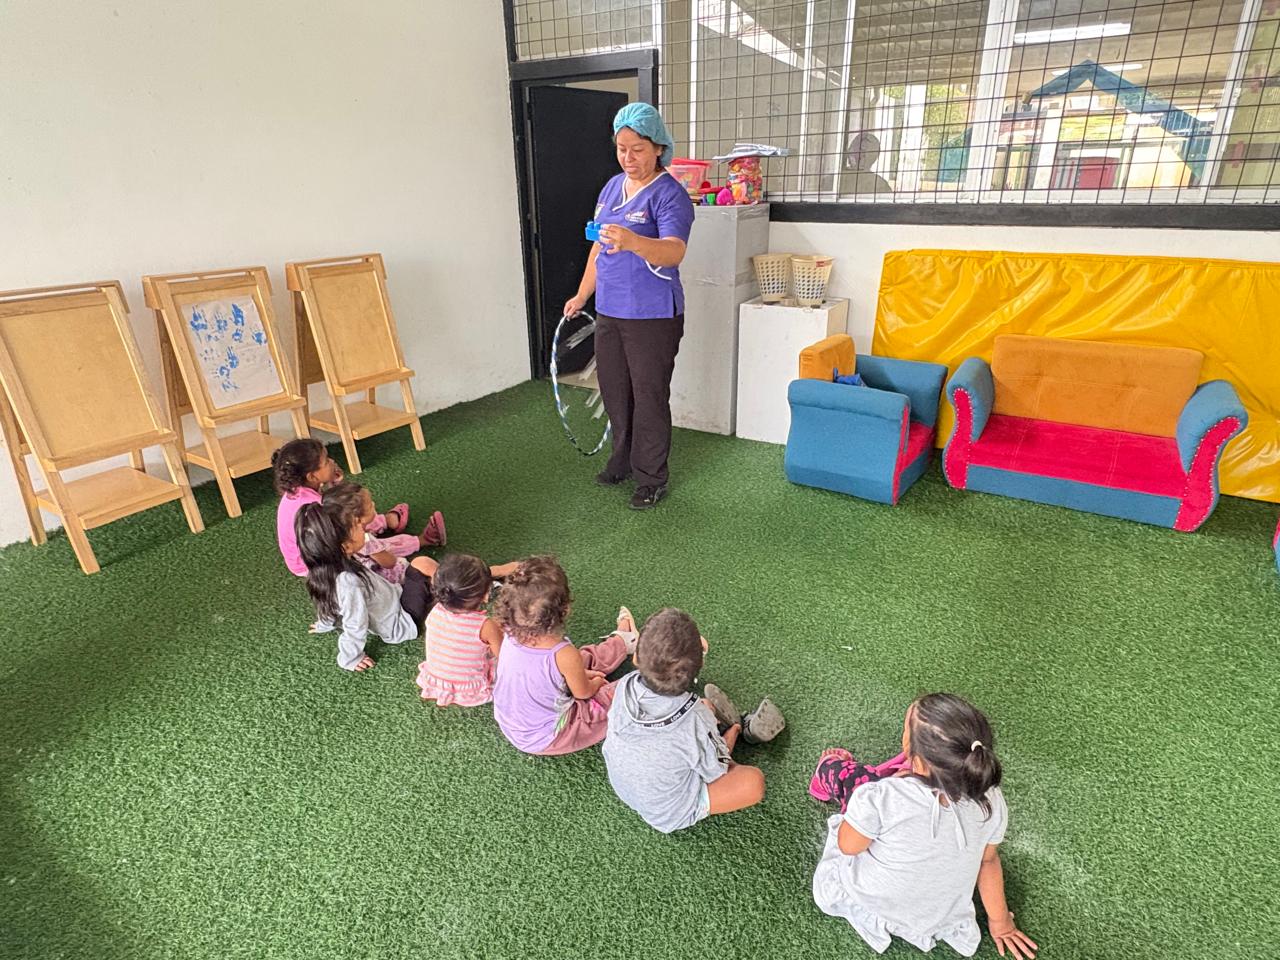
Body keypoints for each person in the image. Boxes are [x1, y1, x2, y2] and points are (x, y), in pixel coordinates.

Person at [809, 694, 1039, 959]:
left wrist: (862, 806)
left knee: (846, 776)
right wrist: (1001, 922)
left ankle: (828, 769)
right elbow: (987, 862)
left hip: (870, 901)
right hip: (936, 917)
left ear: (916, 761)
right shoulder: (992, 799)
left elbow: (848, 847)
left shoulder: (881, 797)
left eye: (907, 732)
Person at [563, 102, 695, 511]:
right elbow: (597, 249)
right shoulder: (610, 188)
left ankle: (651, 478)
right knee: (615, 391)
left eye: (637, 149)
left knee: (648, 395)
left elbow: (674, 251)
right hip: (610, 310)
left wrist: (634, 241)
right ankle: (621, 460)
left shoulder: (670, 195)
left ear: (658, 147)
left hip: (652, 315)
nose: (628, 158)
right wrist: (582, 295)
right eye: (621, 149)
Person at [602, 608, 785, 833]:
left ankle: (716, 731)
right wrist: (732, 732)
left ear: (636, 658)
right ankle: (741, 728)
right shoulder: (695, 720)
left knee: (703, 710)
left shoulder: (625, 684)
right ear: (699, 667)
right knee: (753, 782)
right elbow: (715, 770)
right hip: (667, 813)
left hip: (625, 787)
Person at [491, 556, 632, 755]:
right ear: (565, 610)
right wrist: (596, 682)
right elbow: (583, 693)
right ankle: (630, 650)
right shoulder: (563, 653)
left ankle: (623, 643)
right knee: (621, 692)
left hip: (515, 727)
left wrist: (580, 676)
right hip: (551, 736)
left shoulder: (508, 632)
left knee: (576, 663)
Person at [295, 500, 436, 672]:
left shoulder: (326, 571)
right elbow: (355, 624)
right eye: (357, 526)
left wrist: (325, 624)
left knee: (417, 572)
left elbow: (328, 602)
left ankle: (437, 593)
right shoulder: (348, 582)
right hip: (403, 620)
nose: (363, 527)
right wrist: (349, 658)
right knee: (422, 563)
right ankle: (457, 591)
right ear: (345, 546)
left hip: (396, 600)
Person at [272, 438, 444, 579]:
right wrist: (368, 542)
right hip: (316, 564)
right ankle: (423, 540)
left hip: (309, 553)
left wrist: (335, 483)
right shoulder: (317, 506)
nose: (332, 462)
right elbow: (345, 519)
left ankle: (387, 521)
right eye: (326, 461)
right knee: (374, 543)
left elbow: (339, 507)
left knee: (363, 520)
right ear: (312, 476)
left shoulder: (296, 491)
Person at [416, 553, 504, 707]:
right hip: (471, 690)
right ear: (485, 595)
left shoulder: (435, 611)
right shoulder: (486, 626)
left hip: (436, 682)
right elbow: (504, 656)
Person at [322, 482, 447, 586]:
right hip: (387, 580)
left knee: (387, 544)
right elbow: (390, 563)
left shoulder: (334, 536)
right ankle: (426, 543)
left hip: (366, 574)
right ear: (358, 520)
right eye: (370, 506)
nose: (374, 504)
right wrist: (377, 551)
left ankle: (423, 539)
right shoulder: (364, 542)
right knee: (411, 561)